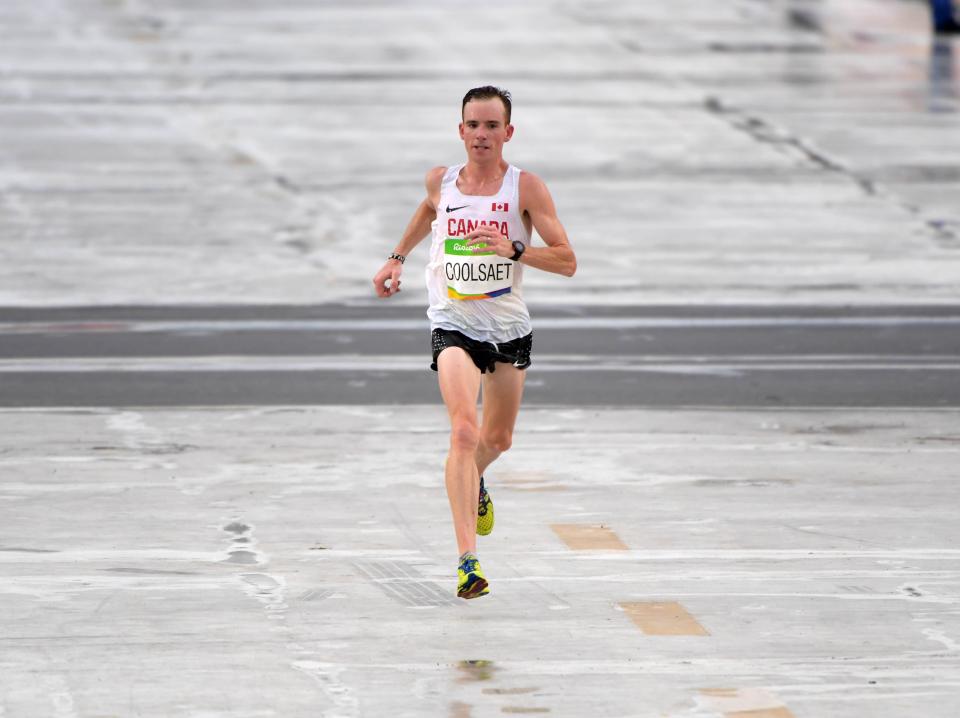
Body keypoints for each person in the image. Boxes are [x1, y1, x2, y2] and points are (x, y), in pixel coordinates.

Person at [372, 86, 577, 599]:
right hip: (453, 321)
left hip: (508, 327)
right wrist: (396, 257)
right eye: (473, 125)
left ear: (508, 133)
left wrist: (516, 249)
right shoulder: (440, 181)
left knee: (497, 440)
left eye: (491, 126)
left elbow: (568, 260)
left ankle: (474, 481)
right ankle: (467, 561)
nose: (481, 135)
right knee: (463, 432)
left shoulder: (525, 188)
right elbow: (429, 209)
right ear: (459, 130)